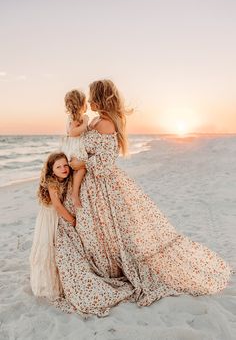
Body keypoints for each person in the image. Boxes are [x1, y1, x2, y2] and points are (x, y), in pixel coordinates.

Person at [54, 79, 232, 317]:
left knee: (110, 230)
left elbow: (106, 162)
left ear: (101, 98)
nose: (90, 100)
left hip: (102, 185)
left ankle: (113, 271)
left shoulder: (106, 123)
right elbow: (79, 139)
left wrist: (81, 162)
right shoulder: (95, 120)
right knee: (93, 231)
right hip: (88, 184)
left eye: (93, 96)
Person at [30, 152, 75, 301]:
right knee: (48, 247)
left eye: (65, 165)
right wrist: (72, 220)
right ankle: (49, 283)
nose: (63, 169)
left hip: (55, 217)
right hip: (49, 219)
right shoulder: (52, 183)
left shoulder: (64, 179)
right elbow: (57, 205)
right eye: (58, 167)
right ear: (51, 170)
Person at [60, 89, 88, 208]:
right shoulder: (77, 117)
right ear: (82, 104)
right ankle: (75, 194)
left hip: (72, 145)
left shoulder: (72, 117)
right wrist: (85, 123)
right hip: (75, 146)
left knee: (77, 170)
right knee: (82, 169)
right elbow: (72, 132)